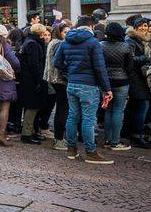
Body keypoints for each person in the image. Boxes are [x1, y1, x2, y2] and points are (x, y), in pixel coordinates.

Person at [54, 16, 113, 164]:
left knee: (72, 117)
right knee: (88, 119)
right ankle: (91, 151)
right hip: (89, 84)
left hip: (72, 83)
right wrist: (107, 88)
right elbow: (100, 68)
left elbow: (57, 62)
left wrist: (70, 70)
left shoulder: (66, 40)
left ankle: (71, 149)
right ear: (91, 27)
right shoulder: (93, 42)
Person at [100, 22, 134, 151]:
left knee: (108, 110)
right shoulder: (126, 47)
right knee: (118, 110)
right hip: (122, 80)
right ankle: (115, 141)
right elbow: (130, 66)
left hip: (105, 81)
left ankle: (108, 139)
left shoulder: (101, 45)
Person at [125, 16, 151, 149]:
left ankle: (127, 131)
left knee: (134, 105)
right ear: (135, 27)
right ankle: (137, 134)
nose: (144, 28)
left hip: (141, 76)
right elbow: (130, 59)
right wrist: (146, 58)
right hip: (134, 76)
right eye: (141, 26)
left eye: (145, 26)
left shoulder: (145, 40)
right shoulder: (130, 39)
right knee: (143, 104)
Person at [17, 23, 47, 145]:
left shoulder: (28, 42)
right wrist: (39, 80)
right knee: (32, 106)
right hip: (31, 80)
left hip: (28, 79)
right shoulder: (33, 44)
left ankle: (30, 132)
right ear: (39, 33)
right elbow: (34, 64)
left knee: (31, 106)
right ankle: (27, 134)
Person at [43, 21, 71, 150]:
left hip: (54, 78)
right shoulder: (59, 43)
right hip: (59, 79)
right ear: (59, 32)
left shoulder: (53, 42)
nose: (68, 34)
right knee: (62, 108)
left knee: (61, 107)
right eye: (65, 32)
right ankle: (59, 139)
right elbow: (59, 63)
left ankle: (59, 137)